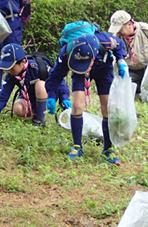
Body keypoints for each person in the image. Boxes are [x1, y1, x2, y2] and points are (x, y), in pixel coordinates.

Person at [45, 31, 128, 165]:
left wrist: (121, 60)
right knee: (77, 104)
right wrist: (51, 96)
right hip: (79, 72)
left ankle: (108, 149)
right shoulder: (66, 53)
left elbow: (120, 45)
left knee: (107, 106)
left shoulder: (105, 41)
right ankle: (77, 147)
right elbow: (55, 76)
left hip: (103, 68)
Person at [0, 43, 71, 126]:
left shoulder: (37, 67)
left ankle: (40, 119)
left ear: (23, 61)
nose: (8, 71)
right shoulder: (12, 75)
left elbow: (58, 80)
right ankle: (35, 111)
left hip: (46, 96)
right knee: (17, 108)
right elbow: (3, 95)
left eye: (11, 67)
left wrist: (64, 97)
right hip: (28, 98)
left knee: (40, 84)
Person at [108, 10, 148, 93]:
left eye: (120, 29)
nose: (118, 32)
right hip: (131, 71)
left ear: (129, 25)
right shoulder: (116, 38)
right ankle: (142, 88)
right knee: (125, 90)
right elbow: (112, 56)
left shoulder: (146, 30)